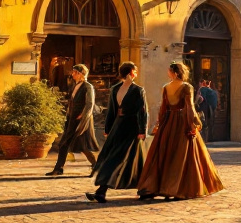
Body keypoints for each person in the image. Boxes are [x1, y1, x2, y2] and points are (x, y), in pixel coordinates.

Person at [136, 61, 224, 201]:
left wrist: (160, 124)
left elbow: (163, 109)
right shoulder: (186, 87)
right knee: (181, 155)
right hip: (181, 122)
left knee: (165, 154)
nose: (168, 73)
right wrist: (194, 122)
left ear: (175, 73)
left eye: (169, 71)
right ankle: (178, 189)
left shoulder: (166, 87)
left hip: (168, 122)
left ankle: (162, 187)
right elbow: (189, 108)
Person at [87, 62, 148, 203]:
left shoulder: (136, 90)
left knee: (135, 158)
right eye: (135, 71)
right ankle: (102, 191)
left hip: (130, 127)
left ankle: (144, 189)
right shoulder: (118, 89)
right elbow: (113, 111)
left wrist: (142, 130)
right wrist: (108, 129)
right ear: (131, 72)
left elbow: (142, 112)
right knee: (118, 158)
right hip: (122, 126)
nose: (136, 74)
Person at [46, 64, 99, 176]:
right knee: (63, 143)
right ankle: (58, 169)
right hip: (71, 119)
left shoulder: (87, 86)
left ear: (80, 74)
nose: (72, 74)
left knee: (82, 145)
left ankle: (96, 165)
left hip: (81, 120)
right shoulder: (75, 85)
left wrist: (83, 116)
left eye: (74, 72)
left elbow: (90, 104)